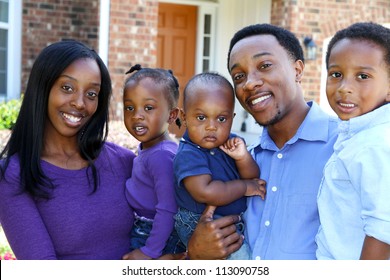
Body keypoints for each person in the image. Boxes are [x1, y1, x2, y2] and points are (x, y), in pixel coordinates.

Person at [0, 41, 184, 260]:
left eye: (92, 94)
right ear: (43, 88)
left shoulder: (126, 162)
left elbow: (175, 217)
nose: (80, 103)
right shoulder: (14, 174)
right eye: (67, 88)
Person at [187, 24, 338, 260]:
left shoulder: (343, 147)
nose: (249, 83)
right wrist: (195, 253)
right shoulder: (241, 159)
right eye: (239, 76)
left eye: (264, 66)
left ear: (298, 69)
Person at [316, 22, 390, 260]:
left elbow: (382, 233)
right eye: (336, 74)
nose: (345, 88)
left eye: (363, 76)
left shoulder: (375, 144)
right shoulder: (355, 135)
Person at [174, 72, 266, 260]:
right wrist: (245, 187)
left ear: (231, 118)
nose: (211, 127)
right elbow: (206, 192)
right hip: (200, 223)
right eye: (201, 118)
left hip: (228, 222)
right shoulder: (189, 153)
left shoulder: (230, 143)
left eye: (221, 119)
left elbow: (253, 176)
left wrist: (242, 158)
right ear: (184, 117)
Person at [122, 64, 185, 260]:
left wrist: (149, 251)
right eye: (129, 108)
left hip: (153, 234)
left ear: (171, 115)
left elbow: (168, 208)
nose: (137, 115)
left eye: (148, 108)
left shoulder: (162, 155)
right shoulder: (151, 148)